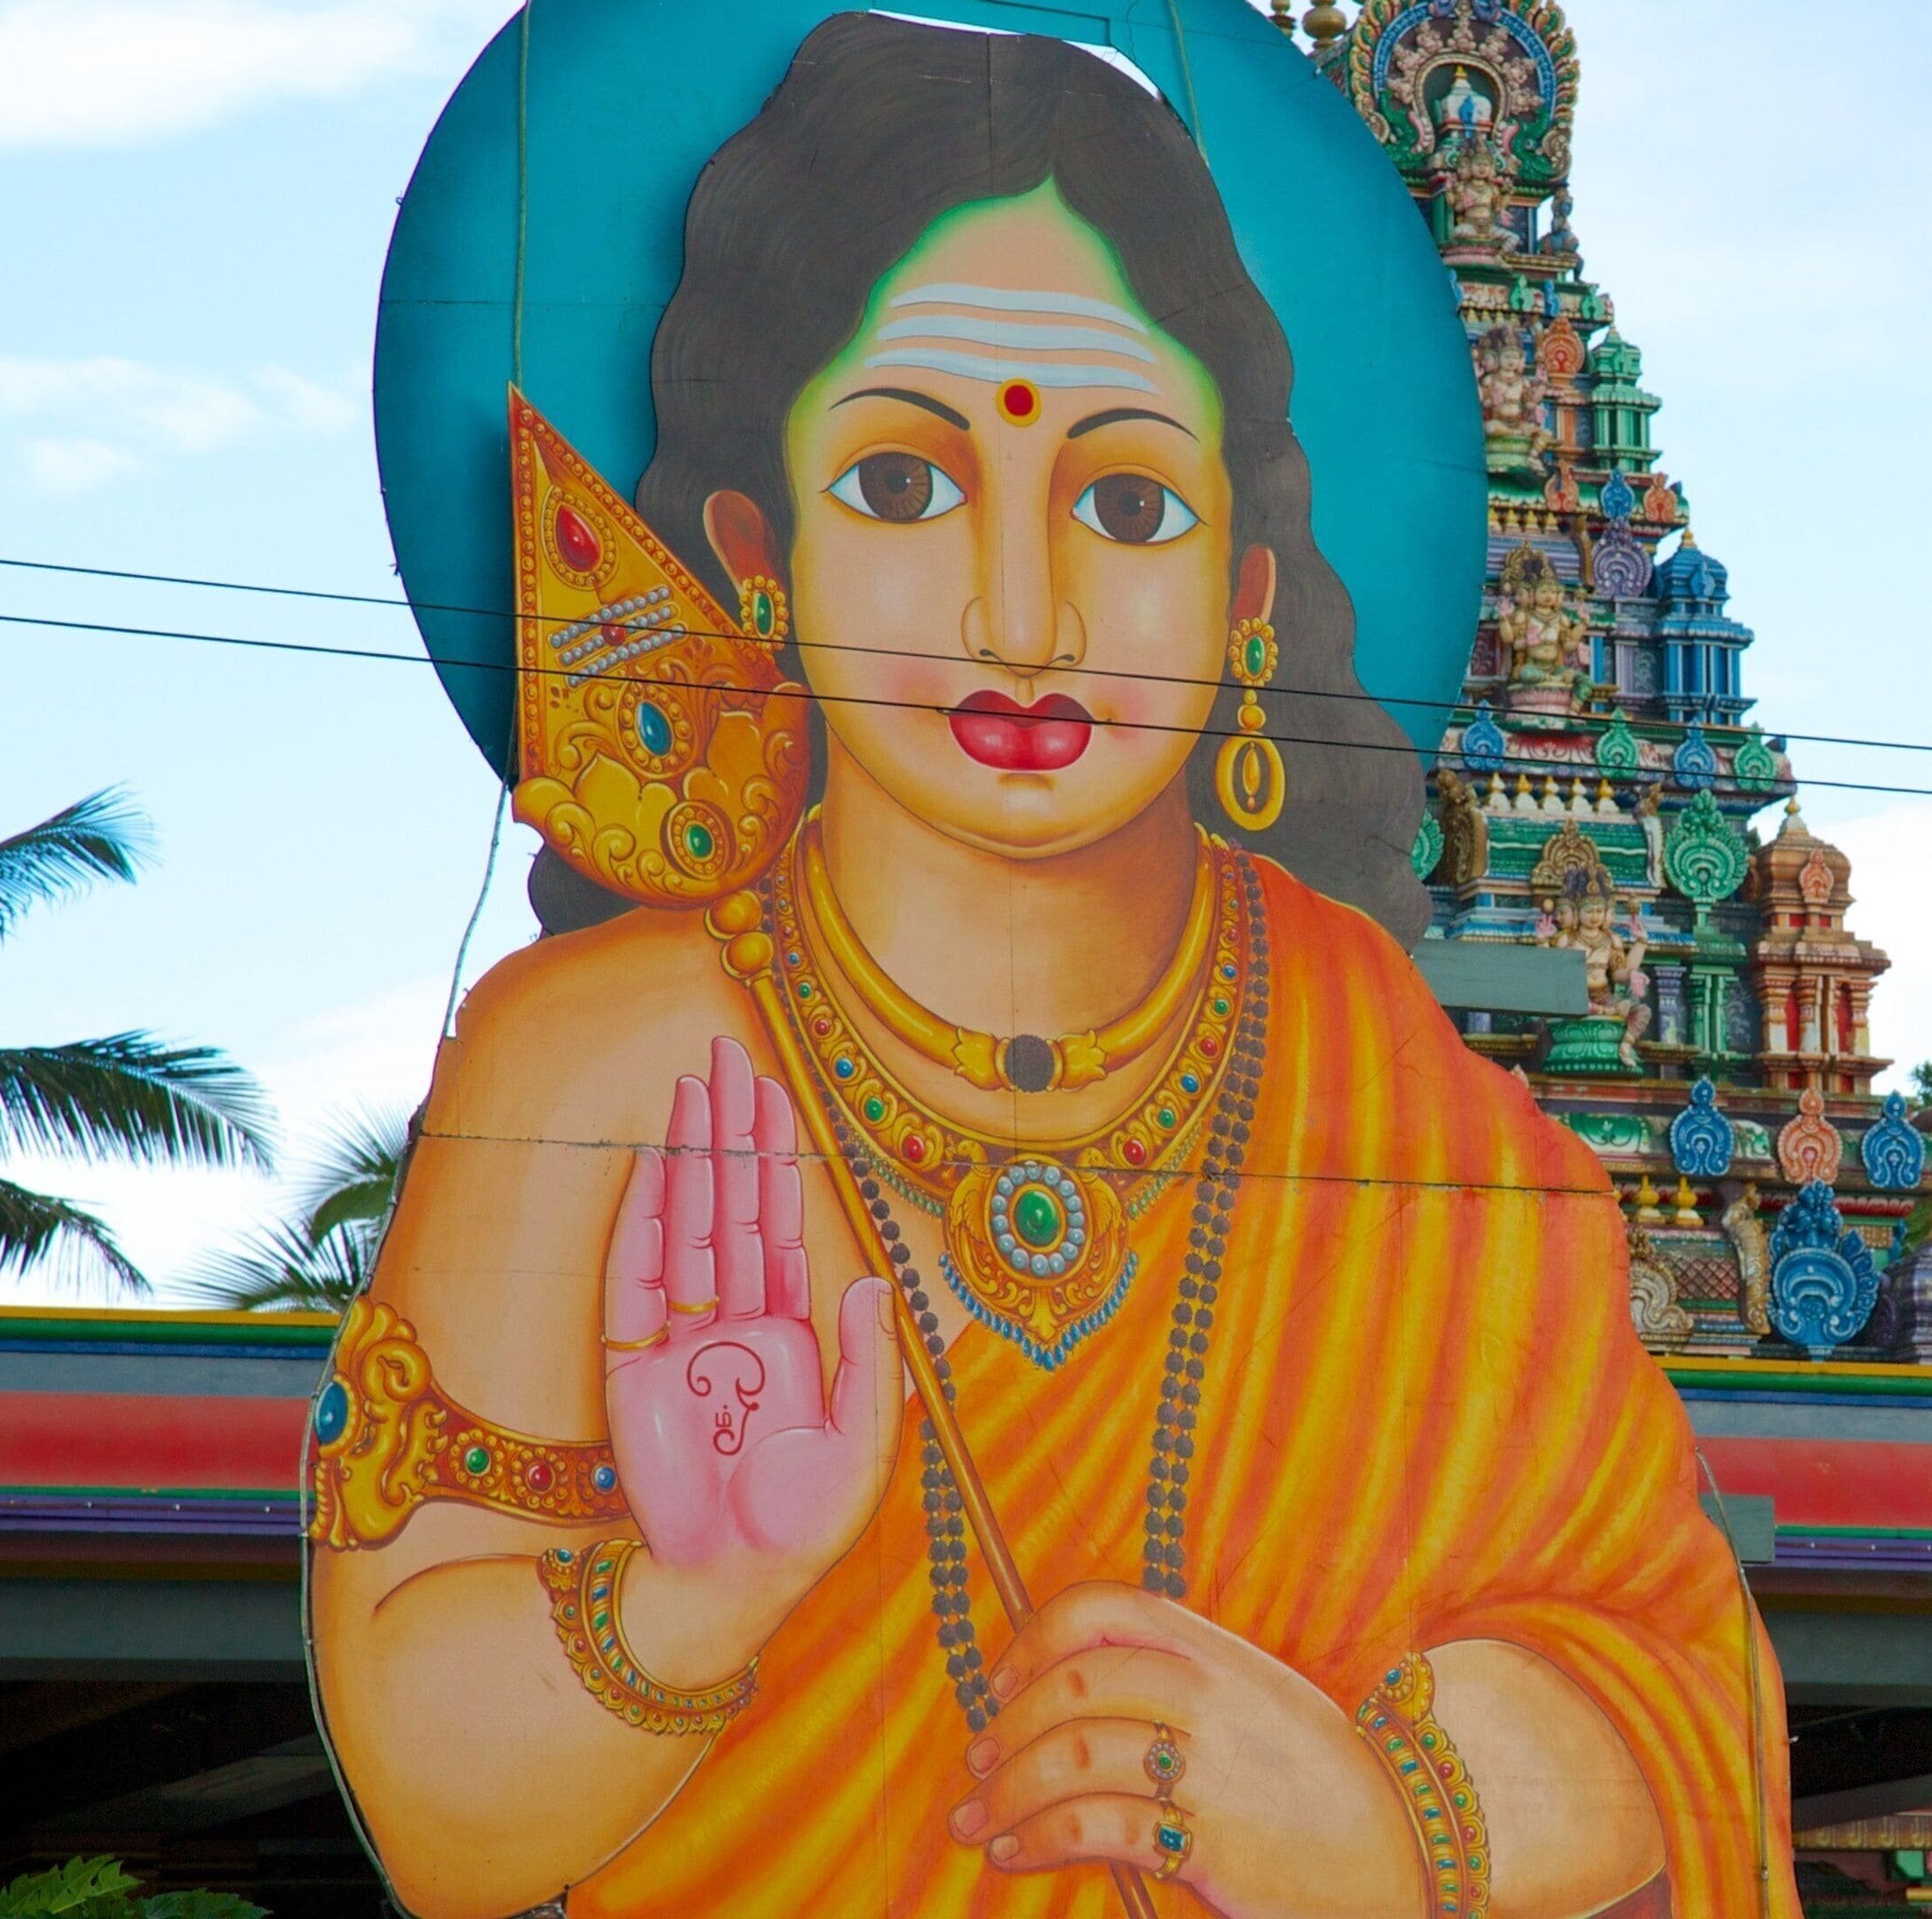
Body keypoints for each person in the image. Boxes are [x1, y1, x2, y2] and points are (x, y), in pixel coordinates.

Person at [306, 18, 1787, 1918]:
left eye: (1128, 505)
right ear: (758, 553)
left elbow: (1678, 1682)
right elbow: (428, 1808)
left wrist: (1392, 1808)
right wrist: (693, 1600)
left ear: (1247, 590)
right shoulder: (593, 1065)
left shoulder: (1430, 1132)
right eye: (908, 489)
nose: (1025, 615)